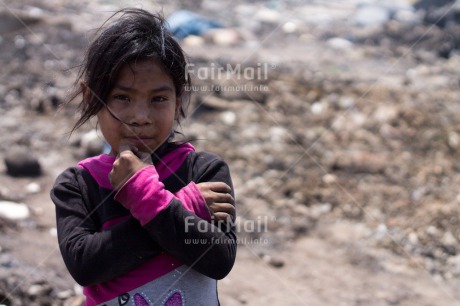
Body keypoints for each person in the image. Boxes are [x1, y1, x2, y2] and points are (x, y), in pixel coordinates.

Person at [50, 8, 236, 306]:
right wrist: (176, 204)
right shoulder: (78, 184)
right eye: (122, 98)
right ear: (91, 99)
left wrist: (146, 198)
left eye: (159, 99)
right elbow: (86, 266)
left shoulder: (203, 170)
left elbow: (219, 260)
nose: (140, 117)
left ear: (178, 102)